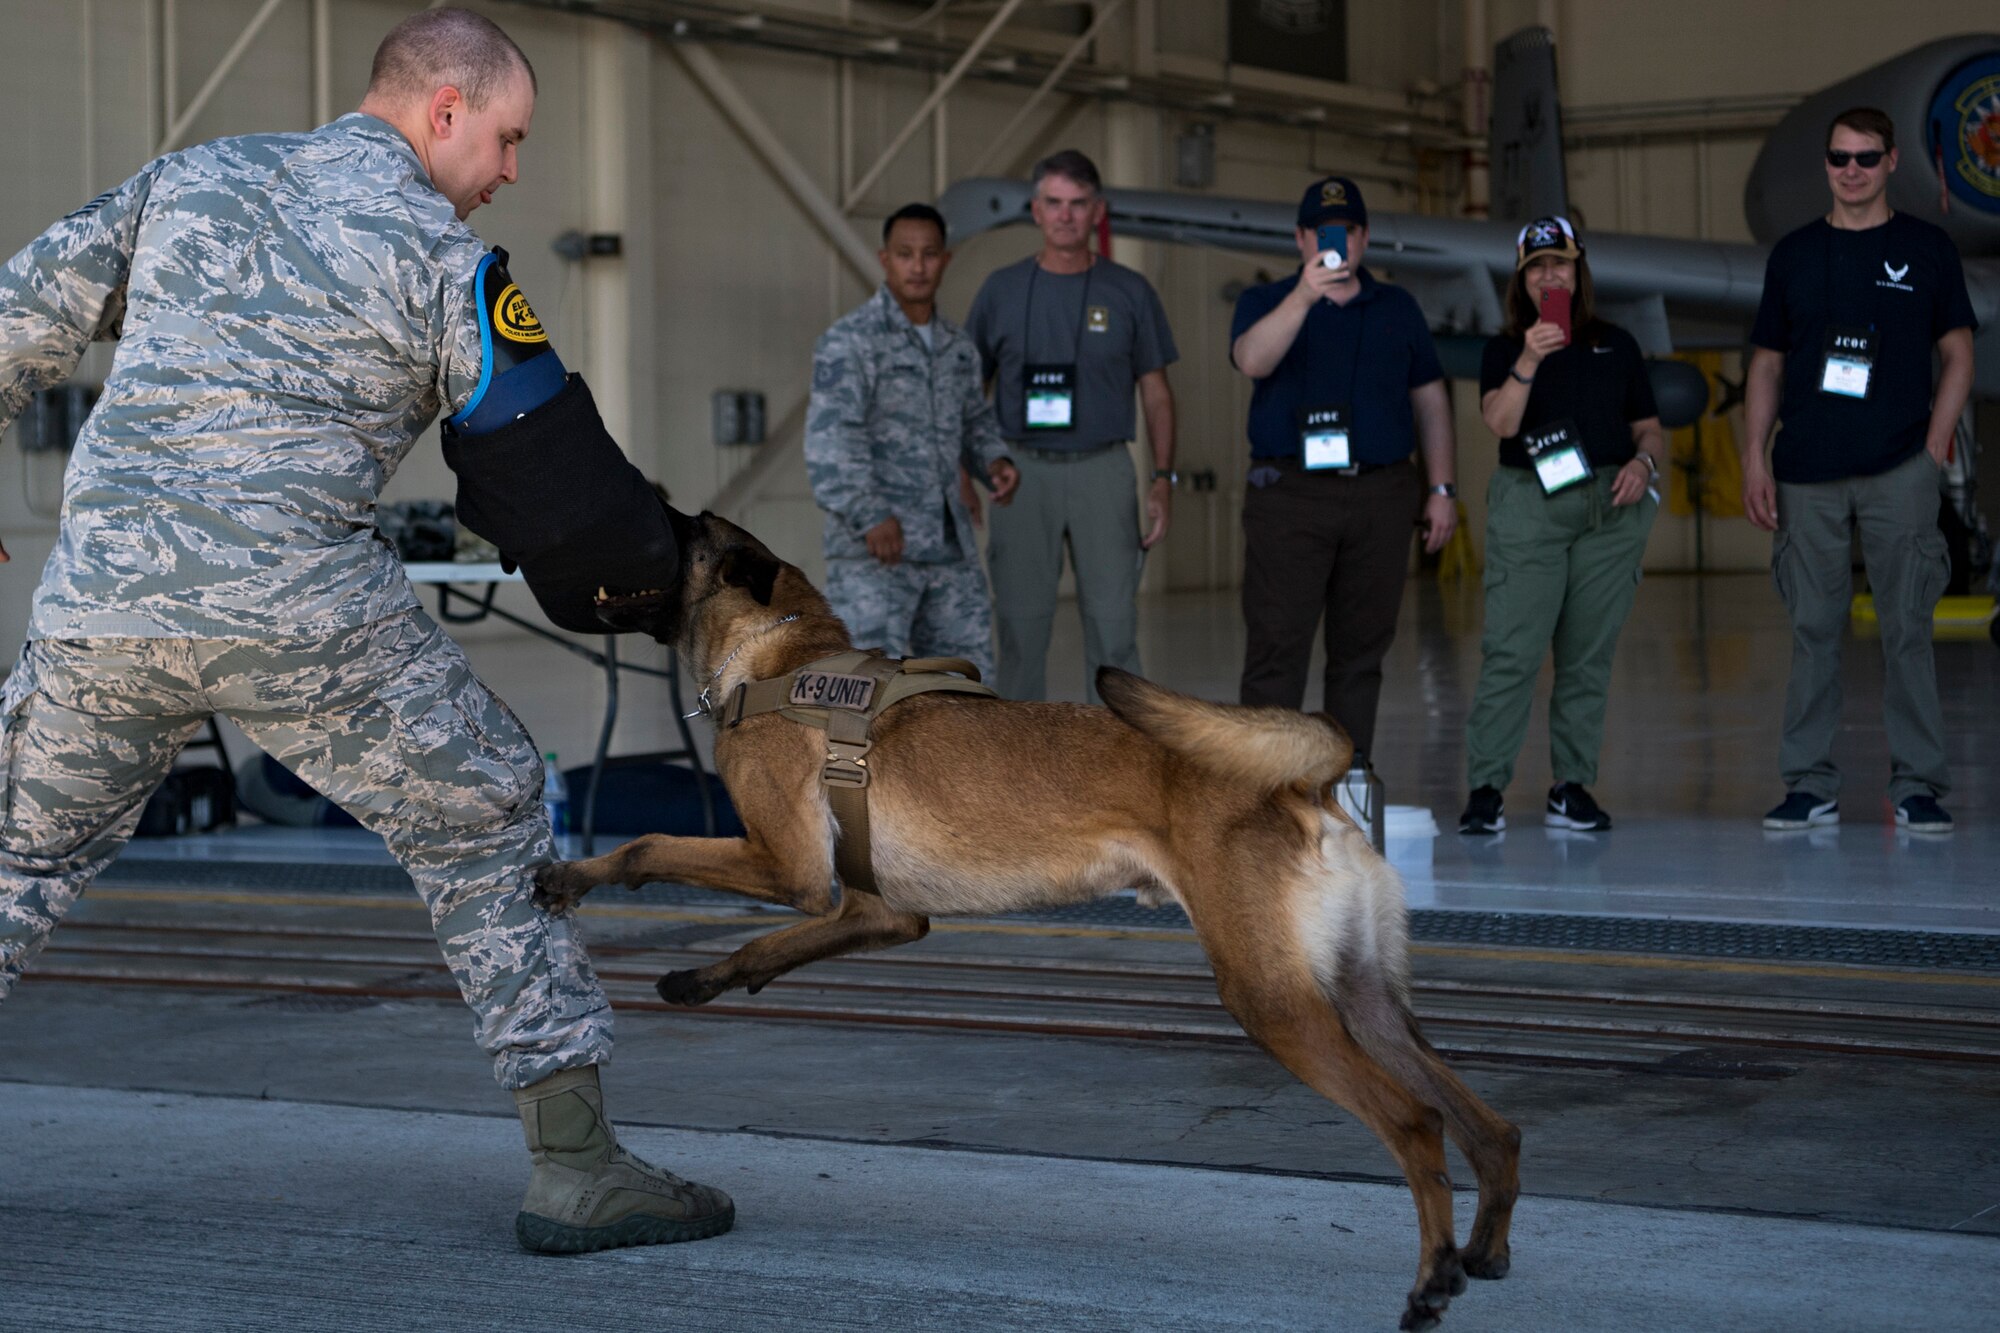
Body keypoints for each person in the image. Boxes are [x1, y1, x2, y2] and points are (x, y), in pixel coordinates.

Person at [0, 8, 733, 1254]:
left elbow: (14, 317)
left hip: (105, 604)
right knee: (490, 805)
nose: (509, 172)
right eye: (505, 139)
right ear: (443, 108)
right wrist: (669, 583)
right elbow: (561, 491)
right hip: (304, 616)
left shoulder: (193, 178)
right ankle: (575, 1167)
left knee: (15, 859)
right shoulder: (452, 269)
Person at [1742, 106, 1976, 834]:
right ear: (1827, 164)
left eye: (1865, 159)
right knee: (1814, 629)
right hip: (1806, 469)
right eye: (1839, 158)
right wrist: (1753, 454)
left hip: (1899, 465)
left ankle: (1917, 784)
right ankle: (1808, 783)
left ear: (1892, 161)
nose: (1851, 171)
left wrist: (1936, 441)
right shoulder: (1794, 255)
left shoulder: (1927, 248)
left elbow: (1960, 352)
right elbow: (1768, 364)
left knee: (1907, 627)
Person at [1228, 175, 1458, 765]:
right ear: (1302, 237)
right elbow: (1252, 359)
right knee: (1277, 648)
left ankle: (1345, 784)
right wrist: (1305, 296)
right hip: (1289, 497)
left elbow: (1430, 400)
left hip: (1381, 493)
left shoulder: (1397, 308)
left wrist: (1441, 488)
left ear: (1365, 238)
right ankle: (1258, 790)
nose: (1339, 243)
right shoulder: (1267, 301)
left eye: (1349, 231)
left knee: (1361, 653)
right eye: (1324, 231)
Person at [1457, 216, 1665, 836]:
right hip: (1532, 504)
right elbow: (1499, 422)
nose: (1551, 275)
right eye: (1537, 267)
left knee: (1586, 658)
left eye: (1561, 264)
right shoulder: (1502, 348)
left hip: (1610, 506)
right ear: (1522, 280)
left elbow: (1648, 425)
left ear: (1579, 273)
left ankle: (1571, 785)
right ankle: (1487, 788)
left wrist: (1644, 462)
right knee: (1513, 653)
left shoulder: (1616, 344)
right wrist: (1527, 357)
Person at [965, 149, 1179, 704]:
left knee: (1114, 629)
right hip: (1019, 473)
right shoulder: (1001, 290)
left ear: (1097, 211)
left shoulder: (1129, 292)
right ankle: (1013, 773)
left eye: (1078, 204)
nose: (1065, 216)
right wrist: (964, 472)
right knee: (1020, 629)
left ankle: (1116, 760)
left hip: (1103, 469)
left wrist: (1163, 477)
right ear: (1035, 210)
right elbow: (966, 394)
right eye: (1054, 203)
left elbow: (1156, 391)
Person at [806, 203, 1020, 679]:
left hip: (948, 550)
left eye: (929, 254)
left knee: (964, 685)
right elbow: (831, 444)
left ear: (945, 260)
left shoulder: (957, 346)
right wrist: (870, 514)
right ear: (886, 259)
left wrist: (995, 461)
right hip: (878, 552)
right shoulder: (850, 342)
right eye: (906, 254)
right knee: (867, 690)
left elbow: (975, 420)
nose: (918, 266)